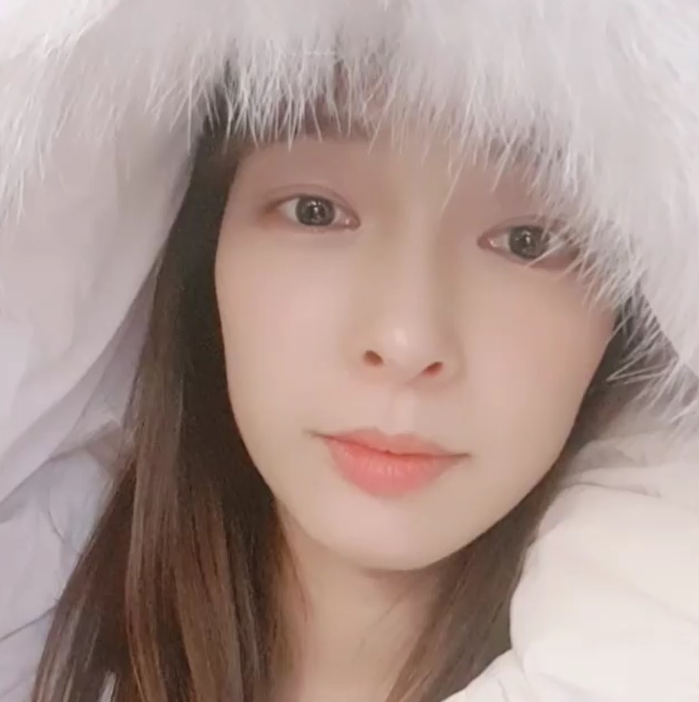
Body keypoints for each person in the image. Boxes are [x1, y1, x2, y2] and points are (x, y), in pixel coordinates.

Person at [2, 2, 699, 702]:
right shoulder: (38, 638)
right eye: (316, 211)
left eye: (527, 242)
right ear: (202, 254)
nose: (404, 340)